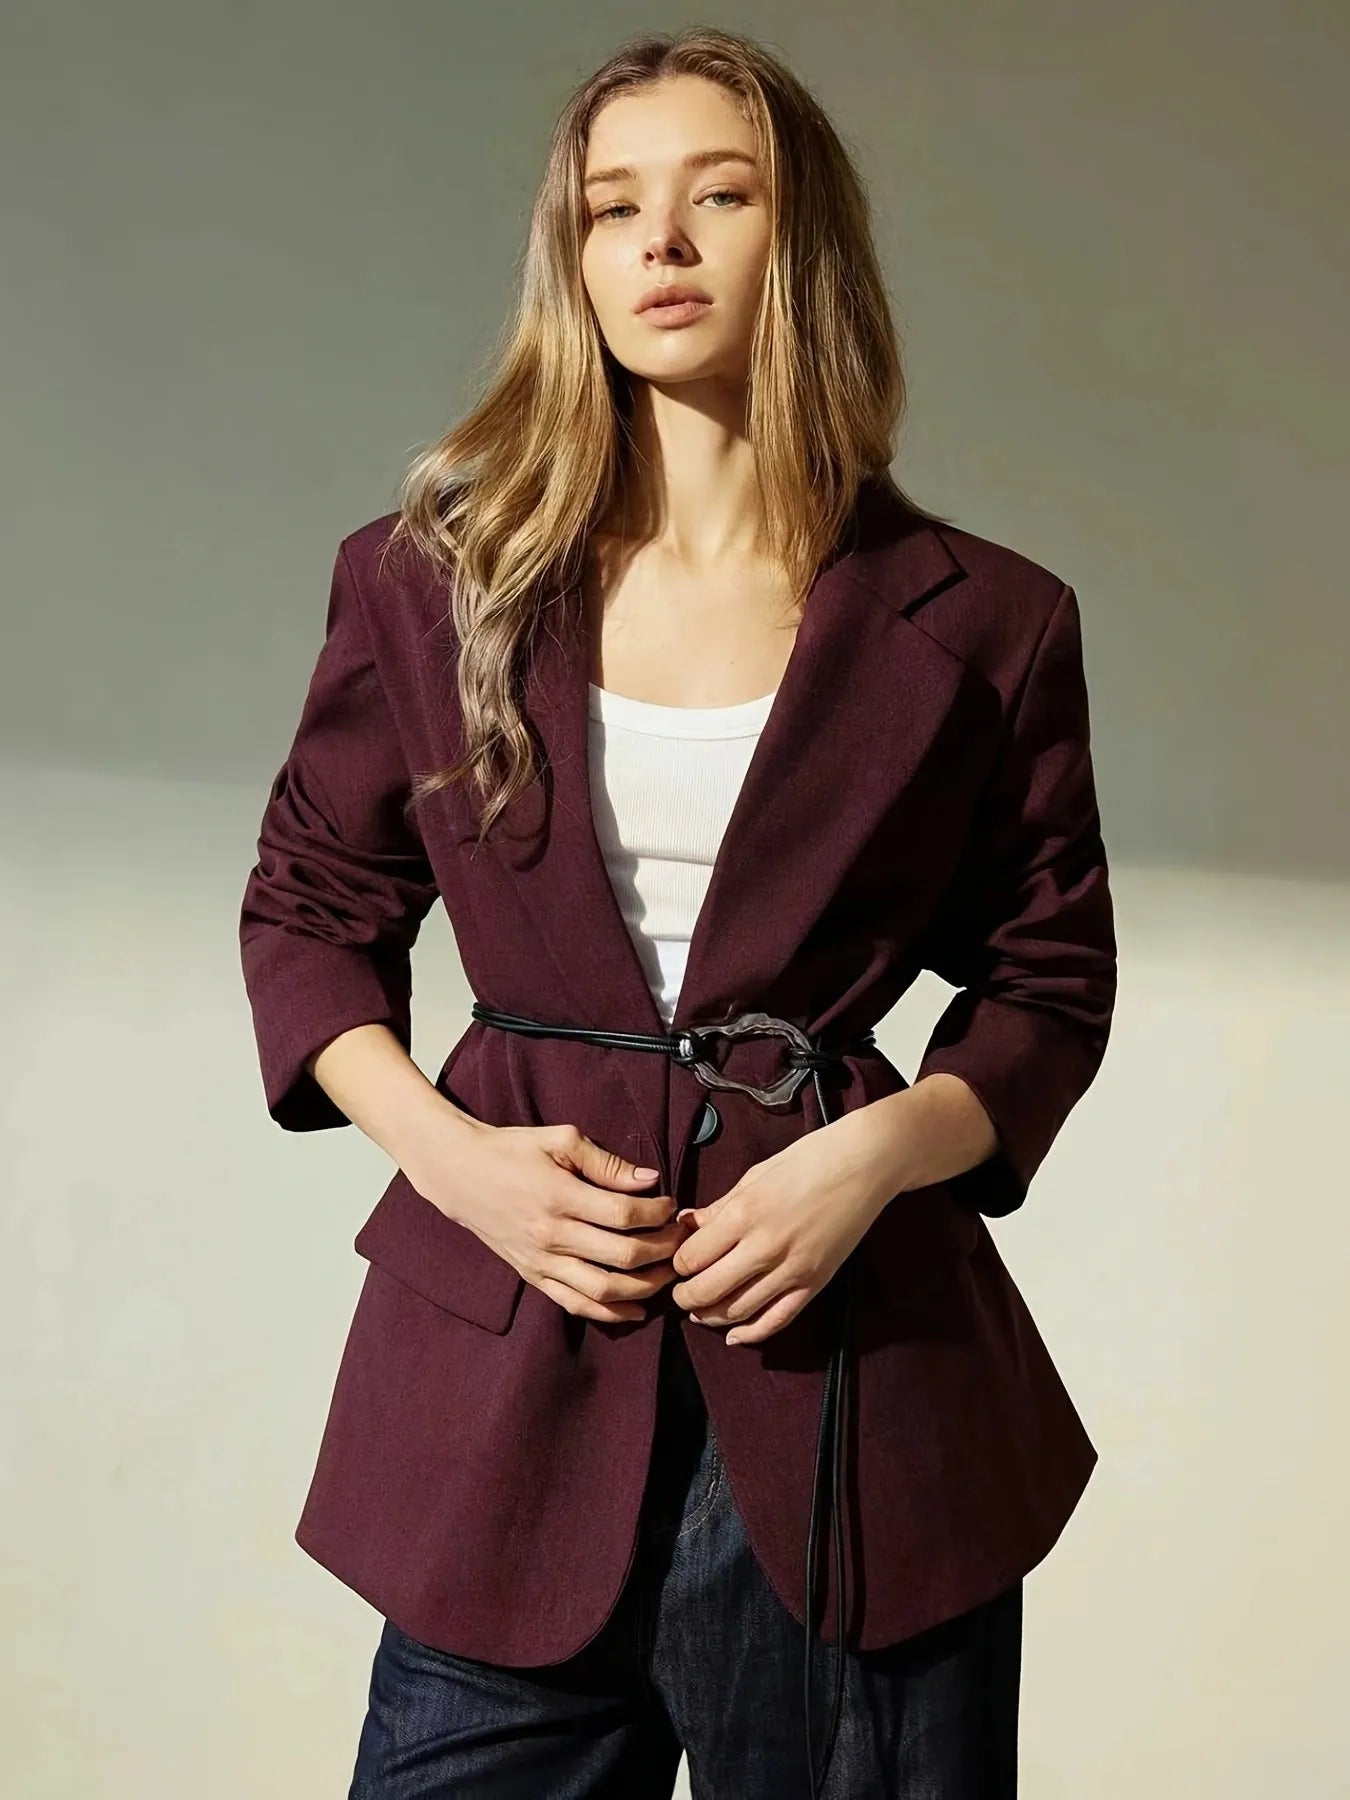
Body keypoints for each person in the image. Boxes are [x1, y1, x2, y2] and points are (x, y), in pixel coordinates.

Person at [239, 27, 1117, 1800]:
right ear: (570, 260)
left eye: (718, 196)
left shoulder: (982, 624)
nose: (661, 243)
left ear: (800, 249)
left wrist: (873, 1159)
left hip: (855, 1384)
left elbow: (1048, 982)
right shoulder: (431, 582)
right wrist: (448, 1154)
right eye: (609, 207)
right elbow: (310, 908)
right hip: (509, 1378)